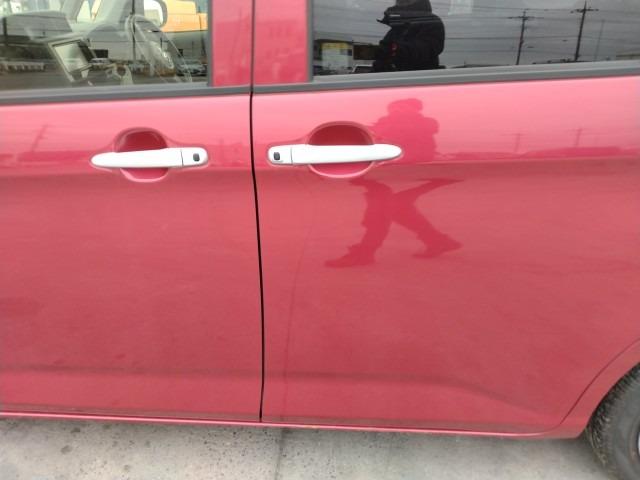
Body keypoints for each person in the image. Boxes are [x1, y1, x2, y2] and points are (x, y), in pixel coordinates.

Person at [373, 0, 445, 72]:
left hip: (419, 76)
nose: (400, 2)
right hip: (389, 75)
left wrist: (395, 49)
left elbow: (426, 49)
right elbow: (384, 52)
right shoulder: (397, 23)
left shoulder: (430, 21)